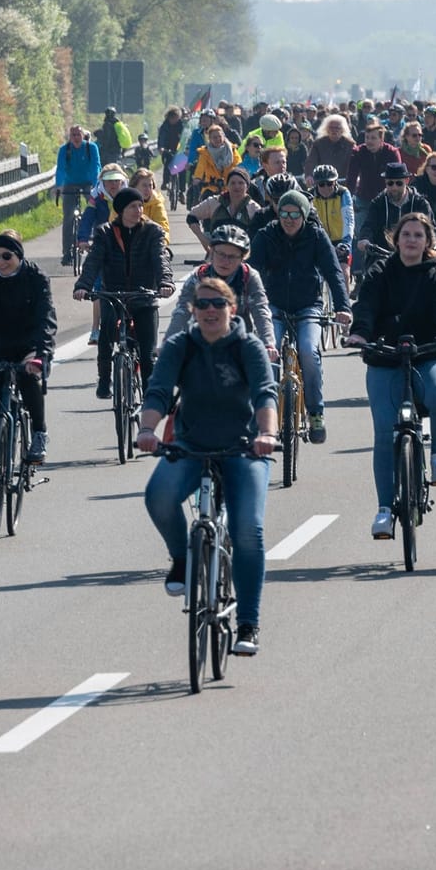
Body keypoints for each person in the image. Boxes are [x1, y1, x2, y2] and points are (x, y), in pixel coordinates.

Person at [136, 275, 276, 657]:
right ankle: (182, 558)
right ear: (193, 310)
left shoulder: (247, 346)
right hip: (190, 445)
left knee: (248, 530)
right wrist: (147, 428)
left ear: (232, 308)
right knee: (158, 497)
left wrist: (266, 435)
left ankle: (248, 623)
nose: (210, 310)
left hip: (244, 448)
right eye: (203, 304)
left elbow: (265, 392)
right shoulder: (182, 345)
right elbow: (159, 390)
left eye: (218, 304)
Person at [347, 213, 436, 537]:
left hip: (427, 355)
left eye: (418, 235)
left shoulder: (435, 275)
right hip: (385, 359)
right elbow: (366, 306)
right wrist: (360, 333)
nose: (412, 240)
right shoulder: (379, 273)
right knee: (385, 434)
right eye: (406, 234)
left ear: (428, 242)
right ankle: (385, 509)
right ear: (395, 239)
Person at [249, 191, 352, 443]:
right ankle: (266, 413)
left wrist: (343, 307)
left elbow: (334, 273)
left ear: (304, 214)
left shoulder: (316, 236)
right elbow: (250, 272)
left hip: (308, 306)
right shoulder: (265, 236)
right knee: (268, 352)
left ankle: (316, 412)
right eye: (284, 212)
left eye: (295, 213)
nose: (289, 218)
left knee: (308, 350)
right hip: (272, 306)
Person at [77, 186, 175, 401]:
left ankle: (150, 396)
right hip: (113, 295)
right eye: (133, 206)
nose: (138, 210)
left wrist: (165, 282)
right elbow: (93, 262)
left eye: (140, 205)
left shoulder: (153, 232)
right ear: (121, 210)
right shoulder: (105, 233)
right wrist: (83, 286)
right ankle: (104, 380)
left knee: (148, 354)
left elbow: (161, 260)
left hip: (144, 296)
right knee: (105, 338)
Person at [0, 232, 56, 462]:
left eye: (6, 256)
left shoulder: (36, 276)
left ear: (18, 255)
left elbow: (46, 318)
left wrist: (41, 353)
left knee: (29, 381)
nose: (0, 262)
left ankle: (39, 432)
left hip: (28, 344)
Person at [167, 224, 276, 353]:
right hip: (202, 344)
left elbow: (260, 310)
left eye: (232, 257)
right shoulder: (199, 276)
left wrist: (268, 344)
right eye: (221, 254)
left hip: (240, 343)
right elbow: (182, 310)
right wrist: (168, 342)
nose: (225, 261)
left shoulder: (249, 276)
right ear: (211, 252)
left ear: (242, 258)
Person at [357, 160, 433, 278]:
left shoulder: (420, 203)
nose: (394, 187)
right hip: (382, 256)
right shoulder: (378, 203)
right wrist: (364, 239)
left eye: (399, 183)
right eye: (390, 183)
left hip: (414, 254)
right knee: (372, 282)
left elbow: (430, 229)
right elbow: (369, 225)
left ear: (407, 181)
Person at [55, 125, 103, 261]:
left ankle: (98, 243)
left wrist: (96, 185)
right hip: (70, 183)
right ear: (70, 137)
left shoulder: (91, 147)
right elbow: (61, 169)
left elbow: (96, 166)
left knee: (96, 210)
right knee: (68, 217)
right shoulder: (64, 150)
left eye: (78, 135)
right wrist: (59, 186)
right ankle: (66, 252)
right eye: (73, 135)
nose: (76, 138)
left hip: (88, 183)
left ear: (83, 136)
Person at [186, 166, 271, 244]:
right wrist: (204, 241)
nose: (236, 186)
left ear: (247, 187)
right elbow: (191, 217)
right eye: (232, 183)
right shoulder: (214, 202)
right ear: (227, 186)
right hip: (217, 255)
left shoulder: (254, 208)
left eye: (241, 183)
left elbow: (261, 236)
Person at [307, 164, 356, 265]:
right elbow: (309, 222)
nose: (326, 188)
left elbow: (349, 220)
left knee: (344, 273)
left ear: (335, 182)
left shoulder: (343, 193)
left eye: (329, 183)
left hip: (341, 240)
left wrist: (346, 243)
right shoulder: (309, 196)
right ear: (316, 184)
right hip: (321, 240)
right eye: (321, 184)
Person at [346, 120, 402, 206]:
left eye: (373, 138)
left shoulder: (392, 152)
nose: (369, 141)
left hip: (387, 198)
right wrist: (348, 199)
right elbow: (351, 177)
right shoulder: (358, 152)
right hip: (364, 198)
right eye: (367, 137)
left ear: (381, 139)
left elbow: (398, 176)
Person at [189, 122, 237, 199]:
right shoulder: (205, 152)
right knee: (203, 202)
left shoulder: (232, 150)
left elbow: (238, 166)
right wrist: (197, 178)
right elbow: (200, 167)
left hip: (230, 187)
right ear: (210, 139)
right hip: (211, 187)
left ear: (223, 137)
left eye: (219, 136)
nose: (218, 139)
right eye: (214, 137)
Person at [306, 113, 359, 178]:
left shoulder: (350, 144)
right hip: (324, 182)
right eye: (331, 127)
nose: (334, 130)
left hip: (344, 181)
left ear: (342, 130)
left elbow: (356, 164)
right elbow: (311, 161)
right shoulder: (318, 143)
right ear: (326, 129)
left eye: (337, 128)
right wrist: (309, 175)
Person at [130, 167, 171, 235]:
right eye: (144, 185)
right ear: (134, 187)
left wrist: (159, 243)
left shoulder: (157, 204)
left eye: (150, 186)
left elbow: (163, 229)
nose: (148, 189)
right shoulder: (123, 203)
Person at [157, 108, 186, 188]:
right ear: (169, 118)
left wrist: (185, 147)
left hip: (179, 148)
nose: (174, 120)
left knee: (182, 169)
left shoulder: (182, 125)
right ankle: (165, 182)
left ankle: (182, 191)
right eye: (172, 118)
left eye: (176, 118)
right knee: (168, 164)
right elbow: (161, 137)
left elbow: (185, 137)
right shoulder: (165, 126)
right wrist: (161, 147)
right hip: (167, 148)